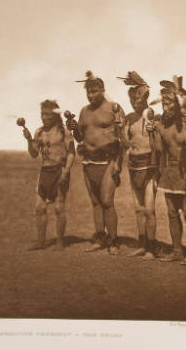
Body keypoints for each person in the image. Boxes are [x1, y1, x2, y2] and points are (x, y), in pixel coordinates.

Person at [66, 71, 125, 255]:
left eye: (95, 91)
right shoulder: (84, 111)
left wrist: (118, 163)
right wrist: (74, 129)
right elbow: (80, 138)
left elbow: (123, 139)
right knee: (96, 203)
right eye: (89, 92)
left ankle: (114, 241)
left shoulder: (114, 108)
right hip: (89, 162)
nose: (91, 95)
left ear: (102, 89)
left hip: (108, 160)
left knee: (107, 201)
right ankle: (100, 238)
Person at [146, 79, 186, 265]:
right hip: (170, 171)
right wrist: (153, 133)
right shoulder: (161, 124)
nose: (165, 106)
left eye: (169, 102)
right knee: (171, 212)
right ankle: (177, 250)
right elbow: (160, 150)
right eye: (164, 102)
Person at [22, 99, 75, 251]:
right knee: (39, 208)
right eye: (42, 114)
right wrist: (28, 140)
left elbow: (72, 152)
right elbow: (33, 154)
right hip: (44, 171)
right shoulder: (39, 132)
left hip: (59, 170)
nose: (44, 117)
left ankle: (59, 242)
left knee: (59, 207)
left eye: (48, 114)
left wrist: (66, 171)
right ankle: (41, 241)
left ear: (55, 115)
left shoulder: (63, 131)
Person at [118, 71, 159, 260]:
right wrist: (120, 129)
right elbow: (126, 144)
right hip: (133, 166)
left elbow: (147, 108)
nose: (135, 102)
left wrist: (142, 88)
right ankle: (142, 244)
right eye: (132, 99)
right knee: (138, 209)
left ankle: (152, 247)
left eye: (138, 98)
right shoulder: (128, 118)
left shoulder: (149, 114)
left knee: (149, 209)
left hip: (149, 166)